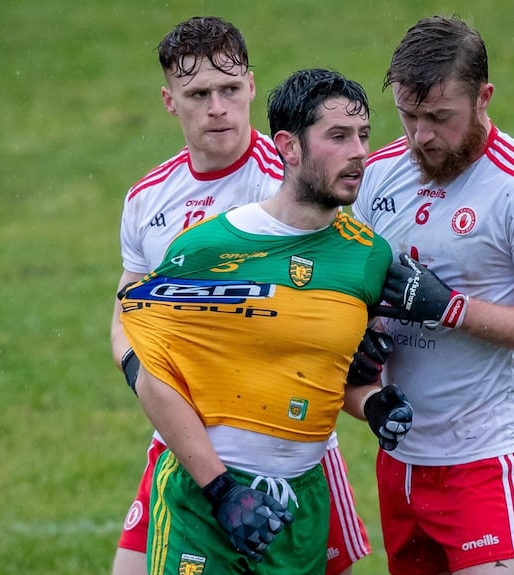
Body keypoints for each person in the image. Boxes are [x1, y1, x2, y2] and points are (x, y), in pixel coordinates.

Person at [118, 67, 412, 574]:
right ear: (289, 147)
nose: (359, 152)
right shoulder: (206, 250)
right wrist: (221, 489)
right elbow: (150, 376)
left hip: (300, 505)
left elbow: (329, 374)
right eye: (338, 137)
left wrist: (375, 404)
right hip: (204, 502)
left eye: (364, 135)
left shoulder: (368, 258)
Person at [350, 15, 514, 575]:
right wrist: (357, 334)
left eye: (439, 118)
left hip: (487, 460)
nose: (421, 136)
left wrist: (451, 308)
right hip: (401, 459)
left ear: (483, 97)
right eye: (408, 116)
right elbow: (349, 284)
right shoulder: (379, 175)